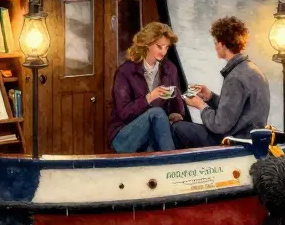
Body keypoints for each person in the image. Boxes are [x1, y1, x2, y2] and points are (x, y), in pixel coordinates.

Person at [175, 16, 271, 148]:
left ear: (222, 44)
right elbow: (236, 109)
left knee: (178, 128)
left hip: (235, 141)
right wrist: (210, 97)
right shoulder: (253, 70)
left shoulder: (235, 77)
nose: (215, 47)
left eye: (215, 43)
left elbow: (219, 125)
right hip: (250, 137)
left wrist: (201, 106)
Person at [109, 22, 184, 153]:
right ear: (147, 44)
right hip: (125, 135)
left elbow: (177, 103)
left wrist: (175, 114)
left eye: (167, 47)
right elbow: (124, 113)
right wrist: (149, 97)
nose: (163, 51)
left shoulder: (170, 69)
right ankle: (172, 160)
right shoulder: (125, 71)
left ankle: (168, 162)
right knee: (156, 113)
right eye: (159, 46)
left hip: (152, 135)